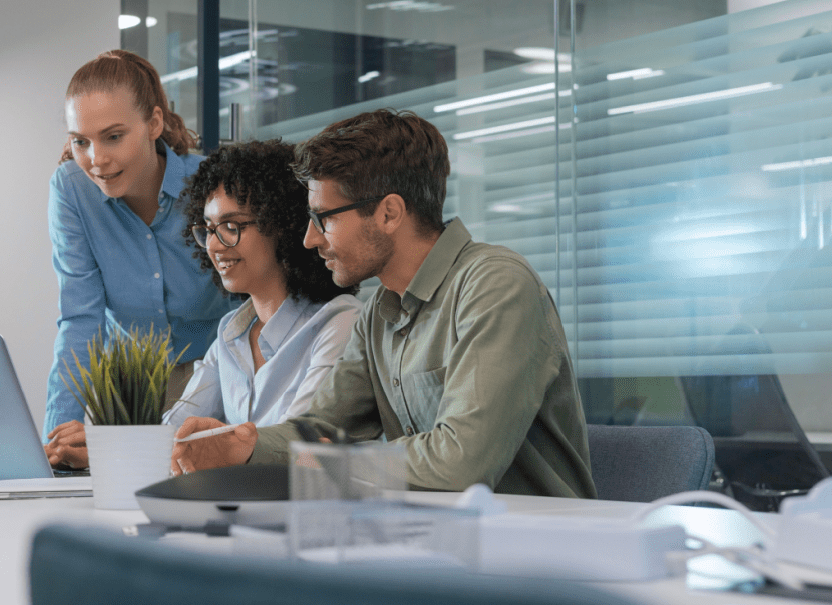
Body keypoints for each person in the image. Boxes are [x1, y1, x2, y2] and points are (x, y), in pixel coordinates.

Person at [170, 109, 597, 497]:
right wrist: (246, 443)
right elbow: (320, 429)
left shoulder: (495, 286)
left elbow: (461, 462)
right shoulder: (379, 312)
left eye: (324, 218)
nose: (309, 239)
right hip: (439, 537)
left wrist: (331, 462)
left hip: (537, 544)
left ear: (389, 213)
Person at [46, 140, 363, 468]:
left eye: (231, 227)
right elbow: (174, 431)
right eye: (209, 229)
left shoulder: (338, 323)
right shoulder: (231, 333)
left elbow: (299, 443)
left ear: (283, 225)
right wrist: (102, 446)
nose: (214, 245)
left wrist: (221, 445)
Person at [44, 50, 233, 464]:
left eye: (113, 136)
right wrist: (55, 447)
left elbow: (251, 305)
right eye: (81, 141)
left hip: (216, 375)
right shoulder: (72, 190)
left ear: (154, 123)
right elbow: (80, 319)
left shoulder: (211, 185)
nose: (96, 159)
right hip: (128, 387)